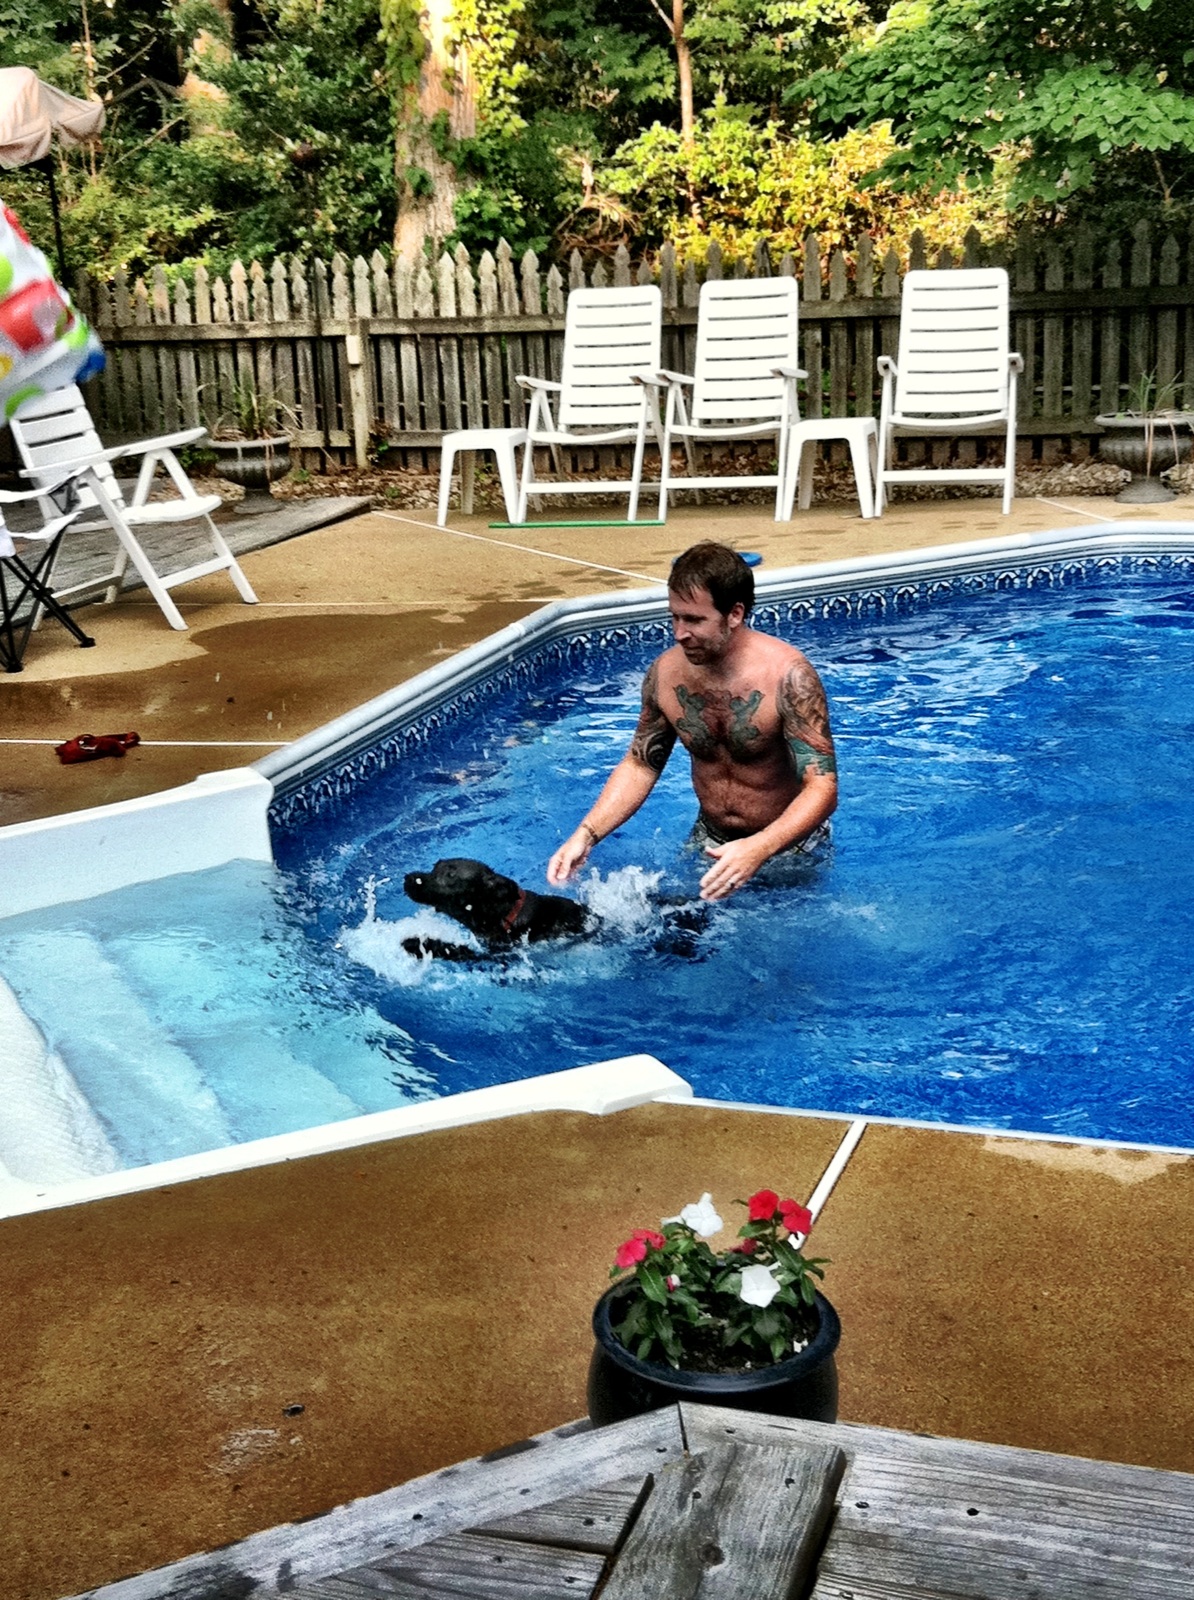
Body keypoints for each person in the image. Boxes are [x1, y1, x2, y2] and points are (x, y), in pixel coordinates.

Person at [547, 541, 838, 901]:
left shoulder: (788, 678)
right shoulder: (666, 674)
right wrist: (586, 834)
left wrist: (759, 847)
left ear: (735, 614)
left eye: (695, 620)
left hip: (789, 846)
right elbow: (641, 763)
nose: (679, 633)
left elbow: (822, 788)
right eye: (675, 617)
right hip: (709, 839)